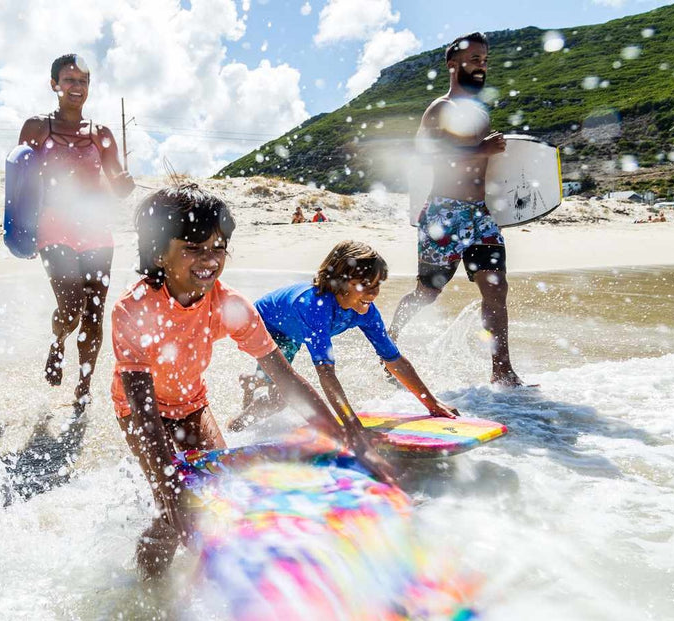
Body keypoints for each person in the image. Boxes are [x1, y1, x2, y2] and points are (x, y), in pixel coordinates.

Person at [111, 185, 397, 579]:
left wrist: (346, 437)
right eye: (193, 248)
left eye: (218, 247)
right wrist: (168, 482)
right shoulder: (134, 309)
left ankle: (210, 586)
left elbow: (286, 377)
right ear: (160, 251)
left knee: (220, 497)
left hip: (192, 404)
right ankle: (146, 587)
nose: (208, 260)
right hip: (141, 414)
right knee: (174, 505)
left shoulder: (230, 305)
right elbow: (142, 408)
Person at [389, 32, 528, 387]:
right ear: (453, 64)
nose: (482, 66)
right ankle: (388, 345)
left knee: (496, 289)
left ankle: (502, 371)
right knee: (427, 293)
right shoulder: (440, 109)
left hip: (480, 216)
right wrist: (480, 149)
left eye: (484, 60)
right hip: (443, 216)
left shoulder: (479, 113)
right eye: (475, 60)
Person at [229, 241, 458, 432]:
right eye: (366, 284)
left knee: (274, 385)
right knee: (281, 398)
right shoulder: (316, 306)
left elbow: (394, 360)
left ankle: (253, 381)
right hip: (266, 324)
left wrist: (431, 403)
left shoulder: (366, 310)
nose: (374, 293)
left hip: (292, 327)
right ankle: (236, 427)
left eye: (378, 284)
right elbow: (326, 372)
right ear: (338, 281)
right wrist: (351, 424)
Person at [18, 53, 135, 415]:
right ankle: (58, 340)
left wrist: (124, 185)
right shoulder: (37, 128)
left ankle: (83, 386)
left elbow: (118, 188)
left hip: (96, 229)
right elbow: (19, 178)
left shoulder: (101, 135)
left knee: (94, 313)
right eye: (69, 80)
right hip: (54, 226)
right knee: (71, 307)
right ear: (54, 84)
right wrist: (18, 228)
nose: (76, 87)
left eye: (82, 81)